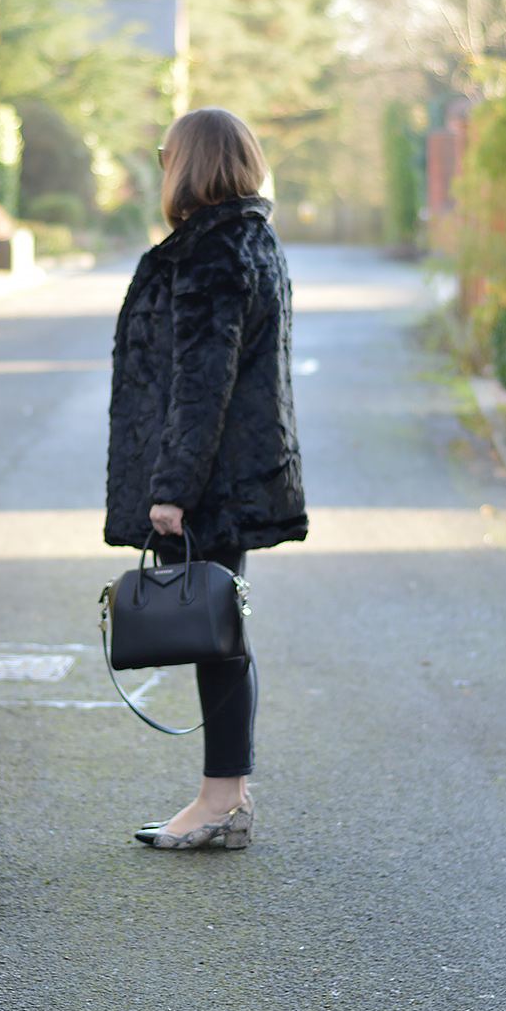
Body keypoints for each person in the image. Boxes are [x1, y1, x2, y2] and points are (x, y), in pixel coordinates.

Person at [104, 107, 307, 851]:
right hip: (236, 475)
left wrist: (172, 489)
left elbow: (201, 382)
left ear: (189, 164)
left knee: (214, 638)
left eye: (166, 154)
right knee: (222, 631)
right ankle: (230, 796)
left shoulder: (213, 250)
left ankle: (219, 801)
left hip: (209, 482)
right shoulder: (250, 236)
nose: (162, 165)